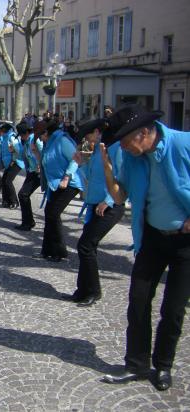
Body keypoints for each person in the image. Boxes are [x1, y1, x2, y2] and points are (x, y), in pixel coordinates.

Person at [101, 105, 190, 391]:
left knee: (173, 309)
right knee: (138, 301)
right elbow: (120, 196)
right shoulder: (132, 158)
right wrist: (107, 171)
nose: (124, 148)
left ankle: (163, 366)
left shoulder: (183, 144)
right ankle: (136, 365)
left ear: (144, 133)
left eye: (126, 142)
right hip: (152, 237)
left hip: (185, 243)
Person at [66, 118, 125, 307]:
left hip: (110, 205)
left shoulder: (115, 149)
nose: (87, 140)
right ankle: (83, 290)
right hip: (95, 203)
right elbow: (93, 175)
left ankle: (93, 291)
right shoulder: (100, 149)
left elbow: (122, 178)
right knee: (86, 247)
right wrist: (82, 163)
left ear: (98, 132)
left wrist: (108, 200)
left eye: (89, 135)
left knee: (86, 245)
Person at [36, 119, 84, 262]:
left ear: (46, 132)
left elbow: (76, 158)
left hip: (70, 183)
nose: (39, 139)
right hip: (56, 183)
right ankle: (47, 251)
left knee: (53, 213)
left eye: (40, 135)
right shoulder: (49, 143)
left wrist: (67, 177)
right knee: (49, 213)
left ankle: (59, 251)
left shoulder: (62, 141)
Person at [15, 122, 43, 231]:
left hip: (38, 172)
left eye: (22, 134)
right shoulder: (26, 142)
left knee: (23, 194)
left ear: (27, 132)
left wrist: (41, 165)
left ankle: (28, 222)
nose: (21, 137)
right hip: (31, 172)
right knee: (23, 195)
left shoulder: (34, 140)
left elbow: (44, 152)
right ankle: (28, 221)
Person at [0, 122, 23, 208]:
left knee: (8, 181)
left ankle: (14, 201)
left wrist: (14, 158)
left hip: (16, 162)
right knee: (4, 180)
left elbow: (19, 150)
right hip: (9, 163)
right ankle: (6, 201)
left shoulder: (11, 137)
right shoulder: (4, 138)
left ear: (4, 129)